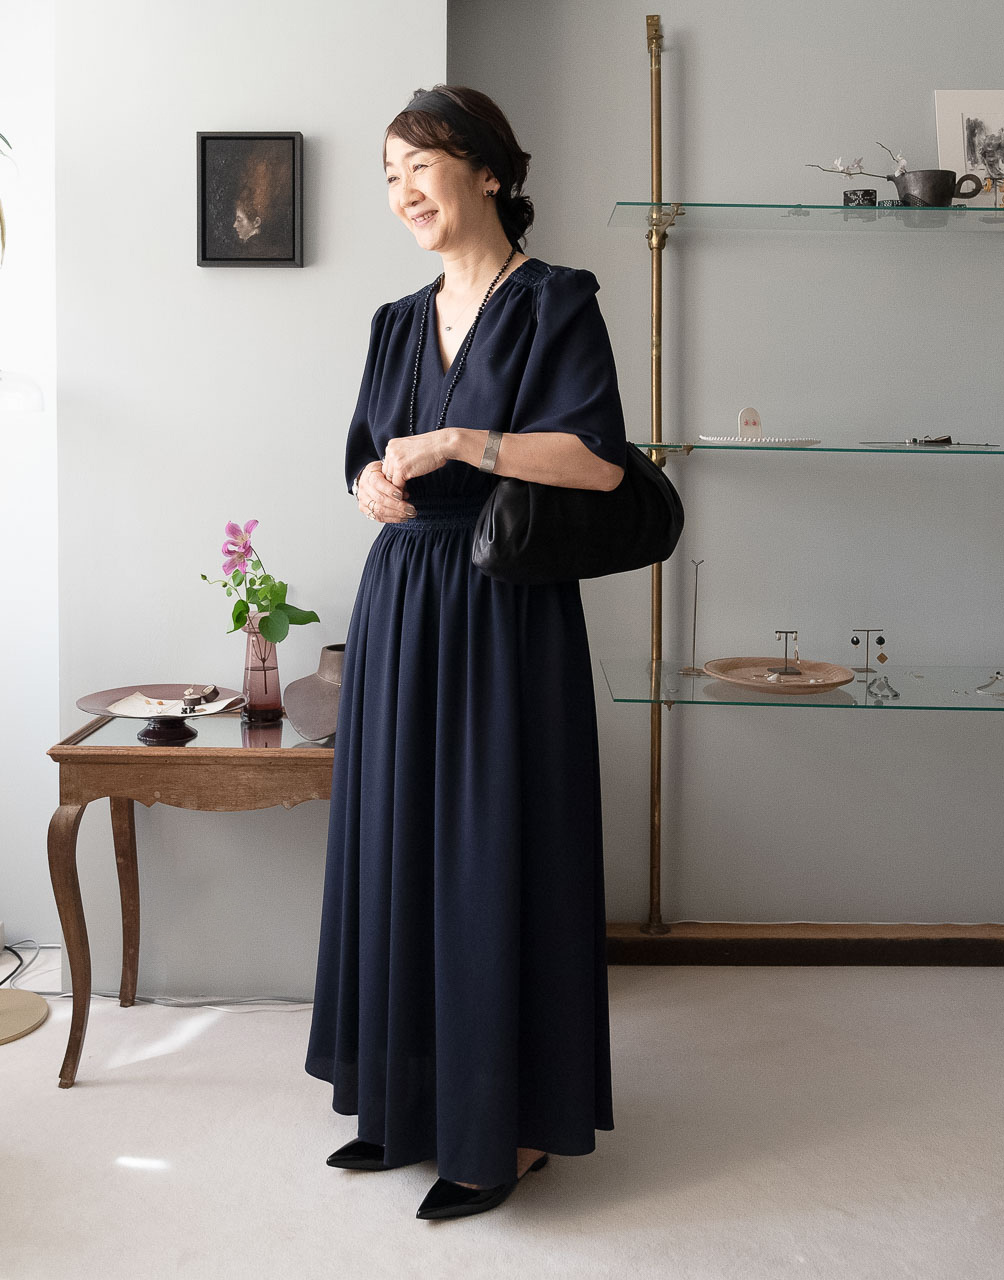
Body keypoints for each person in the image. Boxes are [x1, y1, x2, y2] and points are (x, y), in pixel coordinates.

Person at [304, 84, 628, 1221]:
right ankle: (403, 1100)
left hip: (504, 605)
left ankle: (510, 1131)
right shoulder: (395, 320)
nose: (402, 191)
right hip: (402, 599)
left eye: (420, 165)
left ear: (488, 170)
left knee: (494, 850)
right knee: (397, 841)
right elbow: (362, 458)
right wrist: (372, 482)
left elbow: (597, 460)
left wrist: (456, 441)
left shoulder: (556, 301)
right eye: (388, 175)